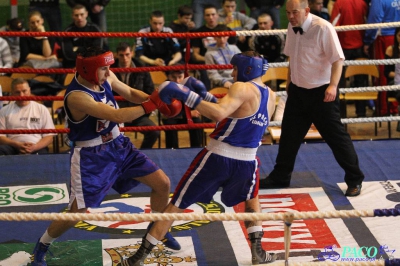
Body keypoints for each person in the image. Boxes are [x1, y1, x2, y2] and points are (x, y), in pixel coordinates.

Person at [120, 50, 277, 266]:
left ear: (247, 69)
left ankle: (138, 258)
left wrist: (187, 95)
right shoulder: (271, 95)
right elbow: (237, 116)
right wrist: (206, 96)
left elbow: (219, 114)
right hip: (248, 162)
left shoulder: (241, 87)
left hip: (218, 157)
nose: (232, 73)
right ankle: (258, 251)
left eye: (235, 68)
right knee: (252, 202)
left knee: (175, 206)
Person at [30, 46, 182, 265]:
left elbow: (130, 93)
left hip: (120, 145)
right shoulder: (76, 97)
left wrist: (155, 101)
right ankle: (42, 245)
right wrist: (153, 104)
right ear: (88, 69)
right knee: (78, 211)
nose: (108, 71)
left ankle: (157, 226)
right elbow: (117, 114)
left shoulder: (106, 75)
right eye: (103, 68)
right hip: (92, 156)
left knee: (162, 183)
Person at [259, 0, 365, 197]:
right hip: (298, 92)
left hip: (322, 92)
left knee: (336, 138)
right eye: (288, 13)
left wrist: (333, 86)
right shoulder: (292, 27)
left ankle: (354, 178)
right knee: (289, 136)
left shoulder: (323, 28)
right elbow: (292, 56)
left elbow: (338, 59)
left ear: (306, 10)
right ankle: (281, 175)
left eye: (295, 13)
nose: (291, 17)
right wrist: (289, 81)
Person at [112, 42, 160, 149]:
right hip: (116, 115)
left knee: (154, 132)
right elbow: (106, 95)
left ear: (132, 54)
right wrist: (121, 114)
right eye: (121, 55)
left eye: (127, 54)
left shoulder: (141, 68)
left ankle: (142, 155)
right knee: (106, 134)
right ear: (116, 55)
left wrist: (139, 112)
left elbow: (149, 92)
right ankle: (117, 157)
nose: (124, 58)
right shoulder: (110, 71)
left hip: (138, 114)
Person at [330, 0, 369, 117]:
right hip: (359, 47)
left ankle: (340, 114)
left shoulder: (339, 3)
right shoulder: (362, 3)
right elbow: (366, 22)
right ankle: (361, 113)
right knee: (361, 81)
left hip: (343, 48)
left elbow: (333, 27)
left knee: (339, 82)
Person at [0, 78, 55, 155]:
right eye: (17, 92)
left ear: (29, 90)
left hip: (36, 146)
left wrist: (35, 147)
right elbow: (0, 137)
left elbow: (49, 137)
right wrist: (16, 144)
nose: (21, 95)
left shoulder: (41, 109)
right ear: (12, 93)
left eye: (24, 91)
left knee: (43, 156)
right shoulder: (4, 111)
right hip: (12, 146)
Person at [363, 0, 400, 116]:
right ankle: (394, 108)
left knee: (382, 74)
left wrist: (367, 41)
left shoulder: (379, 0)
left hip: (384, 38)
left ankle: (384, 109)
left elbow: (374, 21)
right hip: (395, 36)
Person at [162, 68, 203, 148]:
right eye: (173, 77)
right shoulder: (164, 87)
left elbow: (197, 105)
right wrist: (188, 114)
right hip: (172, 116)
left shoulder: (191, 85)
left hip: (188, 115)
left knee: (197, 122)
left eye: (180, 77)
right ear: (168, 77)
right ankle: (172, 152)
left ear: (184, 76)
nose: (177, 81)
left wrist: (195, 111)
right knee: (170, 123)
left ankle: (196, 150)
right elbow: (165, 113)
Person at [62, 4, 104, 68]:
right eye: (76, 15)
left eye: (82, 14)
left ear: (86, 14)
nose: (79, 18)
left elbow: (96, 52)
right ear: (72, 16)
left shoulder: (95, 29)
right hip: (73, 65)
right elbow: (68, 55)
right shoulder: (68, 31)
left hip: (91, 64)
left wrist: (78, 48)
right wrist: (88, 49)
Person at [204, 24, 241, 88]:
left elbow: (243, 64)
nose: (222, 39)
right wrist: (224, 82)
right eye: (219, 37)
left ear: (228, 36)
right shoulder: (209, 54)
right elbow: (212, 74)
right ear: (214, 37)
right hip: (220, 84)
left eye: (224, 36)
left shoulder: (234, 48)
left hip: (238, 80)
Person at [384, 27, 400, 131]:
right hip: (394, 83)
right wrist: (398, 74)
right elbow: (386, 72)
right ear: (396, 36)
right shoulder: (390, 50)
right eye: (399, 36)